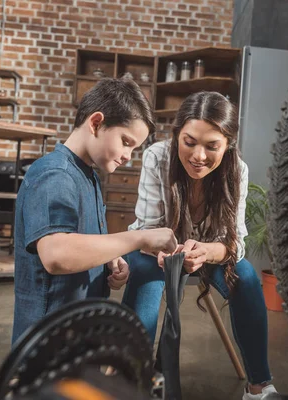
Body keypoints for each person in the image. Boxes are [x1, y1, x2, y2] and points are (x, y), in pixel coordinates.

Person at [122, 91, 277, 399]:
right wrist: (169, 251)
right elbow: (146, 230)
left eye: (212, 146)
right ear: (177, 134)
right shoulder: (158, 156)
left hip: (208, 254)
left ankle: (259, 385)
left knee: (245, 278)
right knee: (143, 272)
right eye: (189, 142)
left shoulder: (238, 171)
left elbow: (235, 243)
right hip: (155, 251)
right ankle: (131, 380)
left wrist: (207, 251)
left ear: (228, 144)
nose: (199, 156)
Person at [11, 78, 177, 344]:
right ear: (96, 123)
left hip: (77, 336)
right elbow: (57, 253)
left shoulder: (88, 176)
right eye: (126, 141)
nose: (127, 156)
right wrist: (140, 238)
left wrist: (110, 260)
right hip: (47, 347)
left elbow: (79, 240)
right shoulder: (56, 175)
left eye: (134, 148)